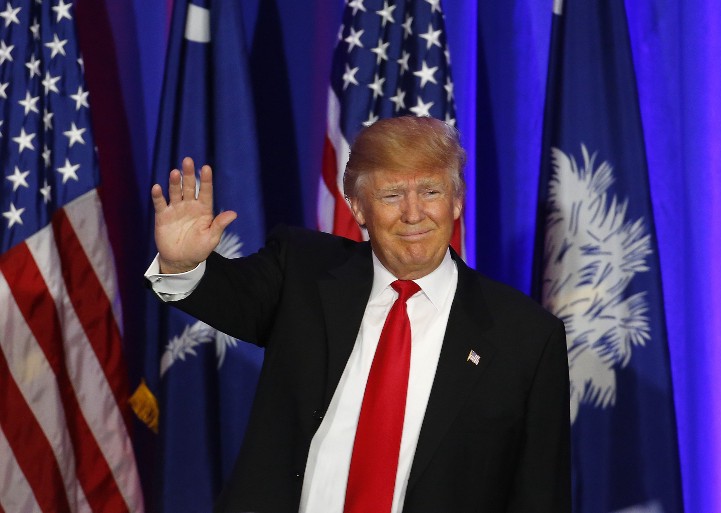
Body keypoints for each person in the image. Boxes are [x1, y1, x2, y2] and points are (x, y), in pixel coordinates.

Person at [146, 116, 570, 513]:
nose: (413, 213)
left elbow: (539, 494)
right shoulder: (303, 271)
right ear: (358, 208)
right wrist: (182, 264)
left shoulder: (526, 337)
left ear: (456, 201)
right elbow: (231, 297)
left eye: (430, 192)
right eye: (391, 195)